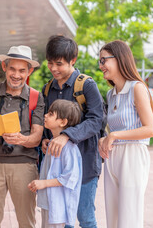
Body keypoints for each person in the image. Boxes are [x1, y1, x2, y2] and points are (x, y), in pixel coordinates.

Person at [0, 45, 45, 228]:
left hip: (24, 165)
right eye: (12, 69)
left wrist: (22, 139)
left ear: (29, 71)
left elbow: (37, 137)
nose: (16, 75)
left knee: (26, 222)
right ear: (4, 67)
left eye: (22, 70)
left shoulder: (36, 97)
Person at [41, 35, 104, 228]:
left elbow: (96, 120)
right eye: (50, 63)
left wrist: (67, 135)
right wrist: (45, 140)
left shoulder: (86, 85)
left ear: (73, 60)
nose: (53, 68)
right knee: (64, 218)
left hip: (85, 163)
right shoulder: (47, 89)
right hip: (58, 169)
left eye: (59, 64)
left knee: (85, 217)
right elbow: (48, 122)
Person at [98, 40, 153, 228]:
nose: (101, 66)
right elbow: (112, 130)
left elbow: (150, 129)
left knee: (129, 217)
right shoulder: (110, 94)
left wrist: (114, 135)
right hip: (113, 157)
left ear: (120, 58)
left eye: (104, 60)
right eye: (100, 61)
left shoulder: (137, 88)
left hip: (132, 155)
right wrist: (104, 139)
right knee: (112, 218)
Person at [28, 99, 83, 228]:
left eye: (51, 114)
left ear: (63, 122)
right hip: (48, 201)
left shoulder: (69, 148)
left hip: (58, 204)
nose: (46, 115)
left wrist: (44, 183)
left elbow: (70, 177)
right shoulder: (52, 142)